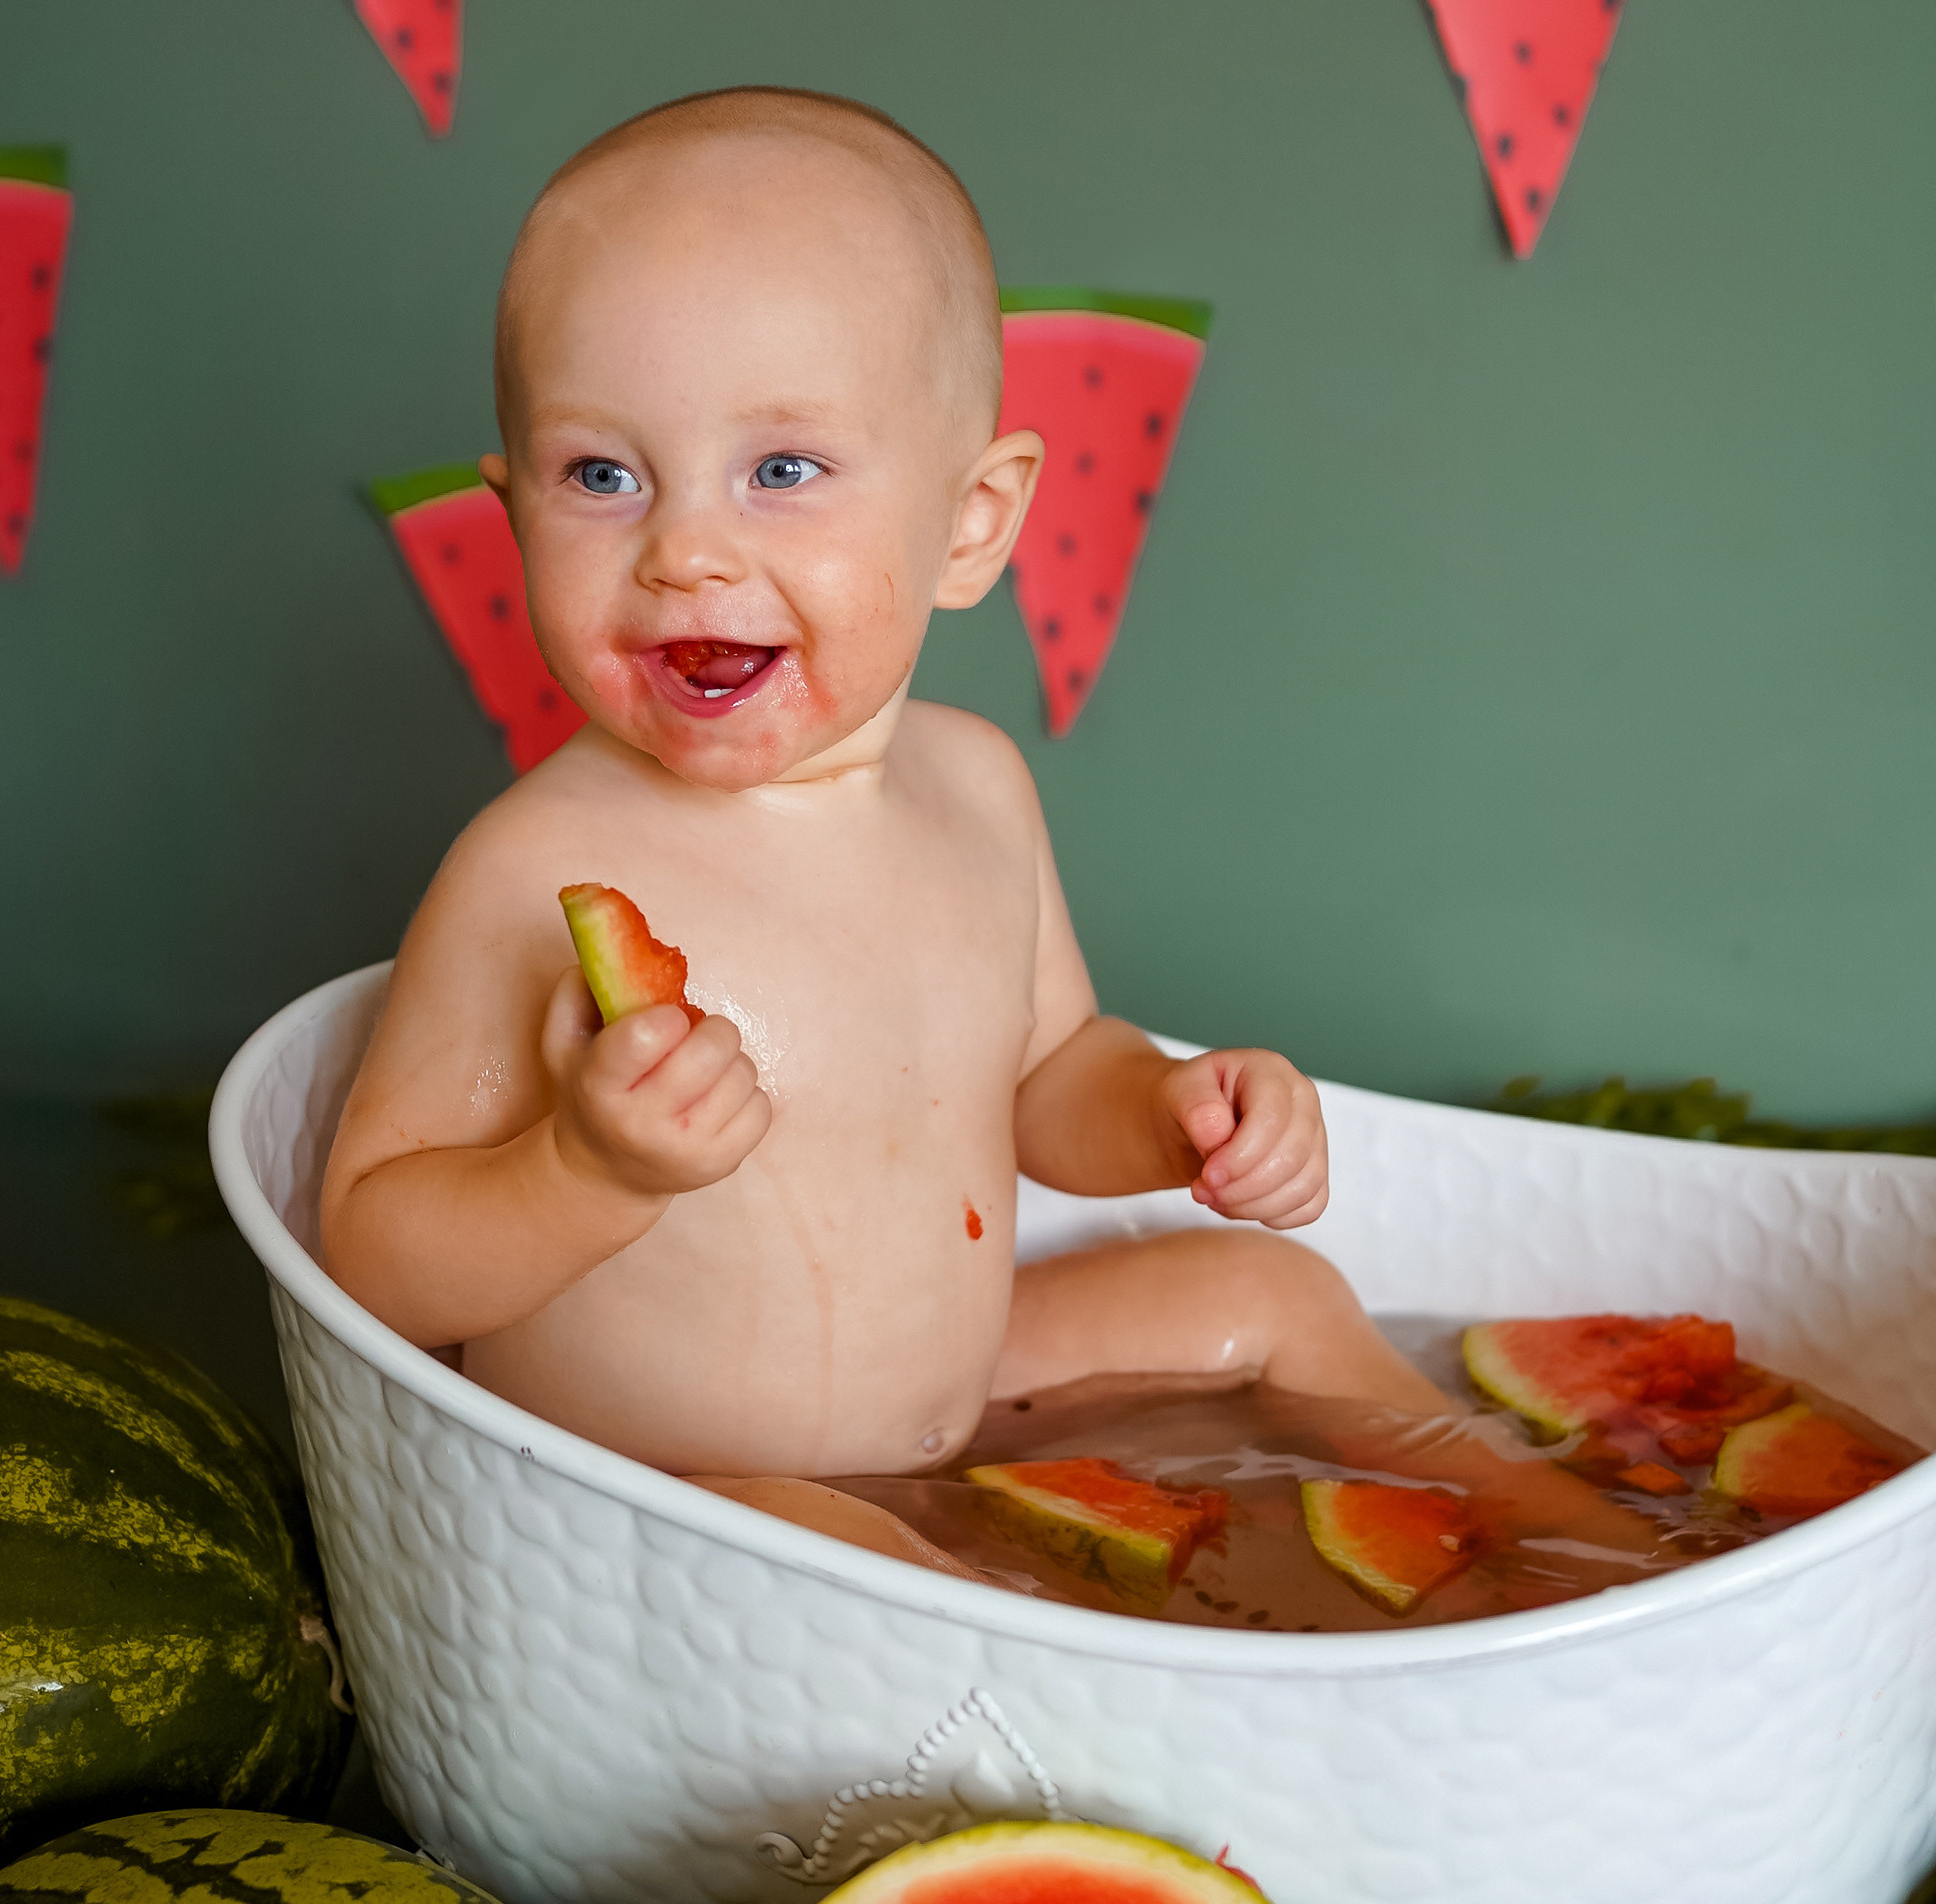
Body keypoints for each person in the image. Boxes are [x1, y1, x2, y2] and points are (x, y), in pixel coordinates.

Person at [321, 86, 1645, 1565]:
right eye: (602, 476)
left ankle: (1580, 1560)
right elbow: (368, 1256)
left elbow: (1043, 1076)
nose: (684, 551)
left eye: (780, 470)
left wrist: (1169, 1108)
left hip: (954, 1395)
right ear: (512, 515)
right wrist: (581, 1170)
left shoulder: (978, 788)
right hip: (685, 1491)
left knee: (1269, 1294)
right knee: (859, 1566)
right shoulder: (532, 872)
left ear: (970, 523)